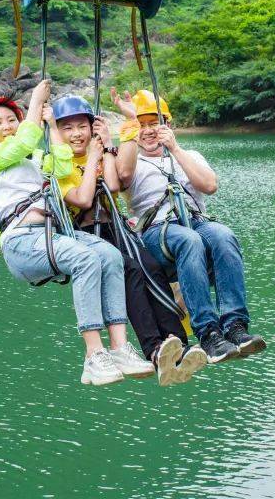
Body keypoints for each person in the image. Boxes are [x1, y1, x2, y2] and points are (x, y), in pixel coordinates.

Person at [0, 79, 153, 386]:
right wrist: (33, 106)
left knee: (109, 255)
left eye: (11, 120)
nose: (7, 126)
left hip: (49, 235)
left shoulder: (33, 162)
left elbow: (63, 167)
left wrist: (53, 125)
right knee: (85, 259)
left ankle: (120, 347)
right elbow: (23, 143)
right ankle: (94, 354)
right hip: (21, 241)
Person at [51, 95, 208, 387]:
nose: (76, 134)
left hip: (115, 226)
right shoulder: (58, 164)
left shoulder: (96, 151)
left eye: (82, 127)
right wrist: (95, 157)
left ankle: (177, 343)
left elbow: (112, 184)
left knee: (150, 267)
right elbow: (83, 199)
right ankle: (153, 346)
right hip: (87, 230)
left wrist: (106, 145)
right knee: (130, 272)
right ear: (57, 132)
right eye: (67, 128)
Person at [112, 88, 267, 365]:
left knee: (223, 235)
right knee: (189, 241)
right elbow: (121, 177)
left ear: (168, 126)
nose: (148, 131)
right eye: (142, 125)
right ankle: (208, 332)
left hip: (195, 221)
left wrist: (175, 149)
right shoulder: (131, 158)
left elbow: (209, 185)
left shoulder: (188, 154)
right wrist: (131, 125)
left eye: (154, 124)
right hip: (157, 229)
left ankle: (235, 326)